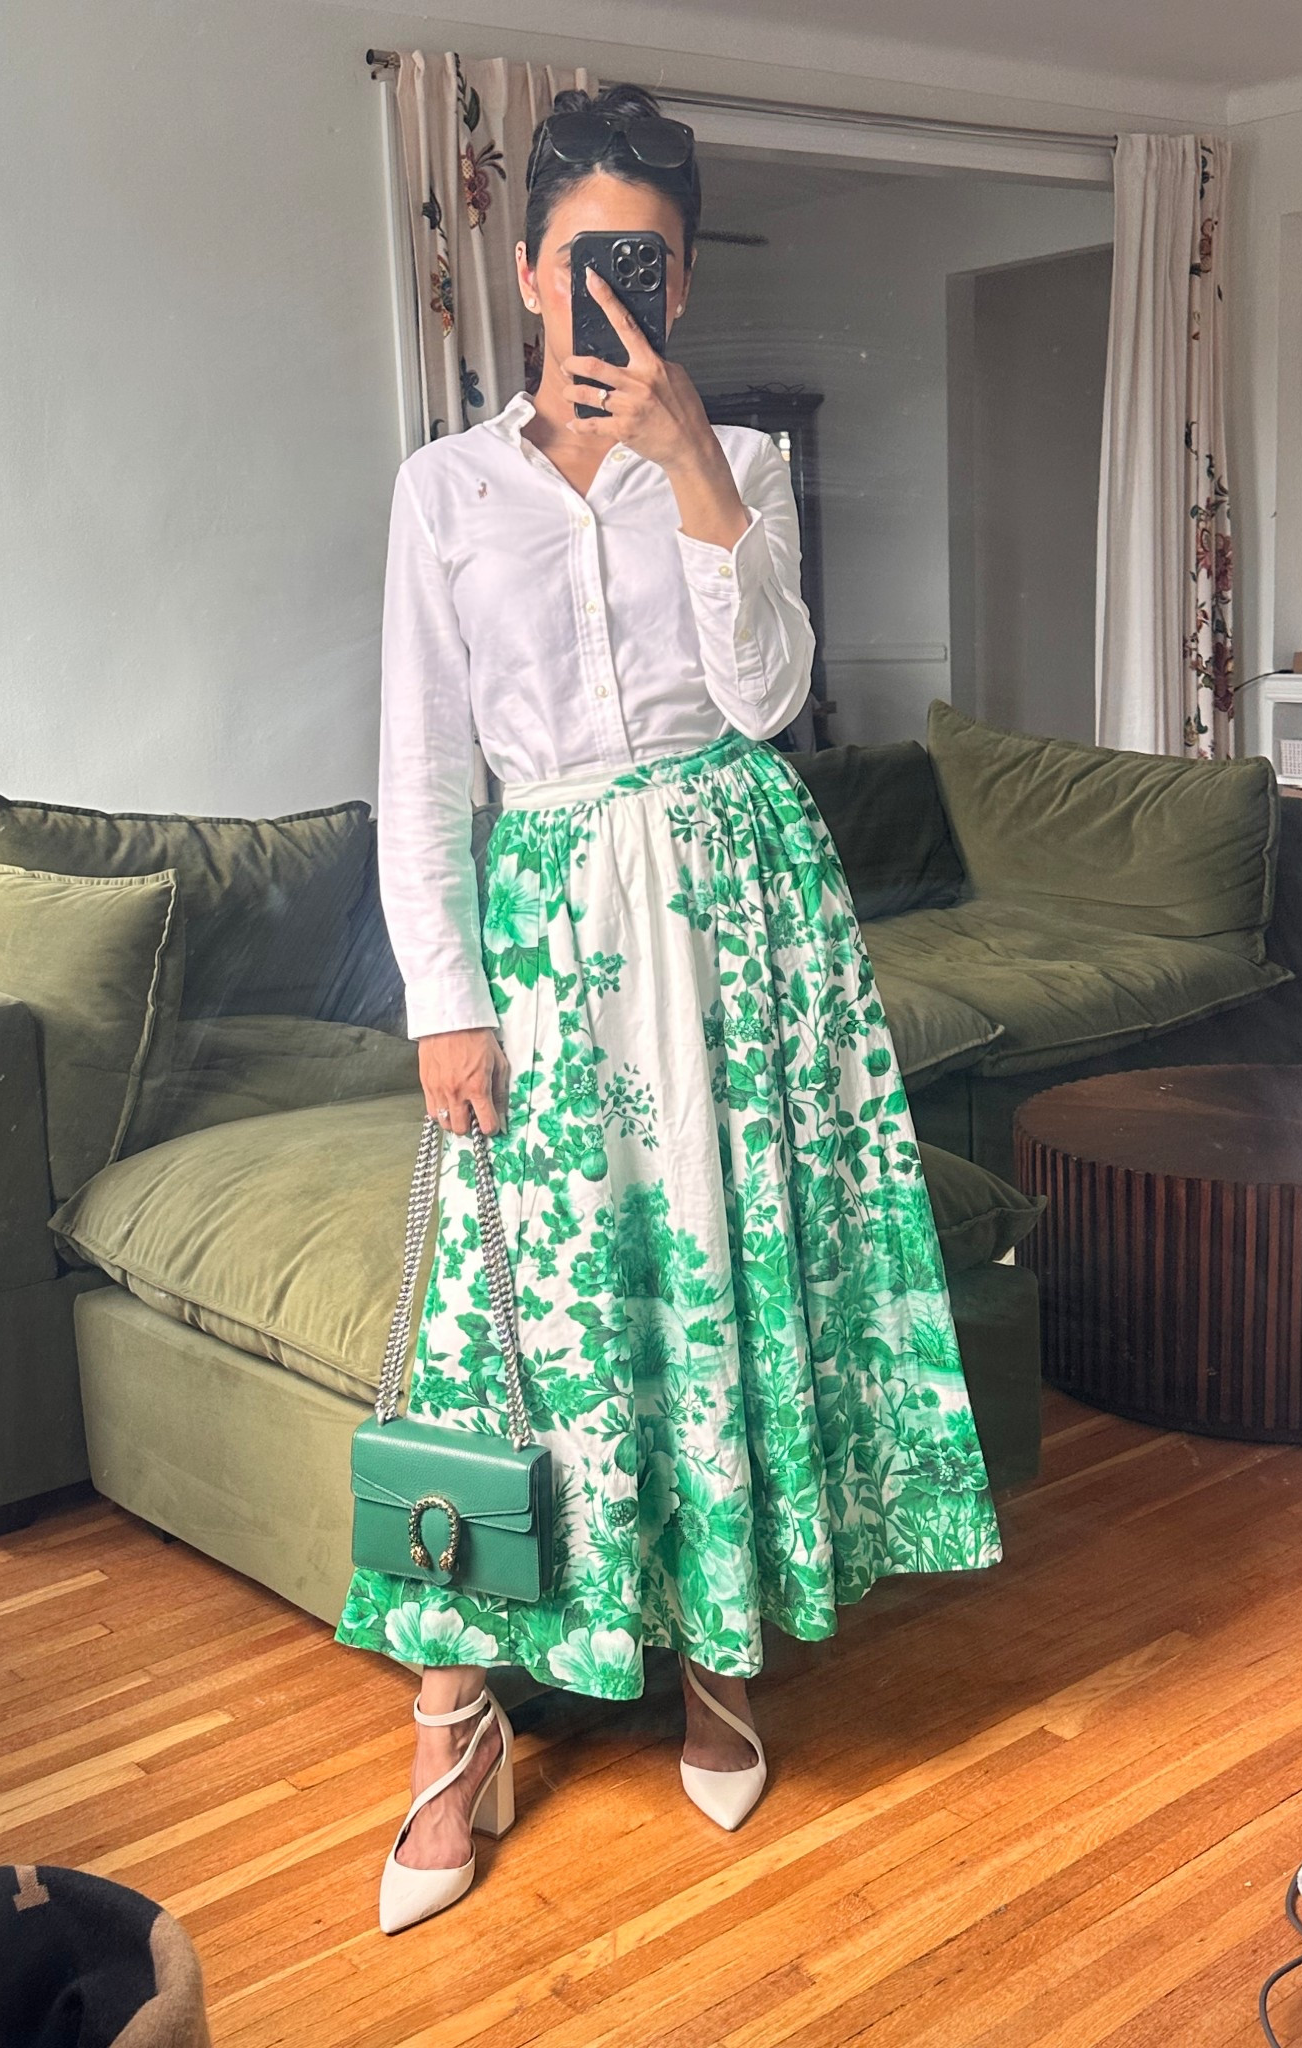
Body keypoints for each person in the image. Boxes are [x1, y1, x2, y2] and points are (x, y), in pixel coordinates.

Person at [336, 81, 1004, 1935]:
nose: (604, 295)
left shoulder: (745, 468)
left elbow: (772, 692)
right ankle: (451, 1724)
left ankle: (719, 1657)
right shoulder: (444, 492)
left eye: (646, 264)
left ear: (678, 280)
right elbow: (417, 770)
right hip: (545, 933)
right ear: (527, 267)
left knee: (726, 1272)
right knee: (505, 1317)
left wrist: (705, 469)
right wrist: (440, 1003)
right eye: (578, 261)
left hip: (739, 915)